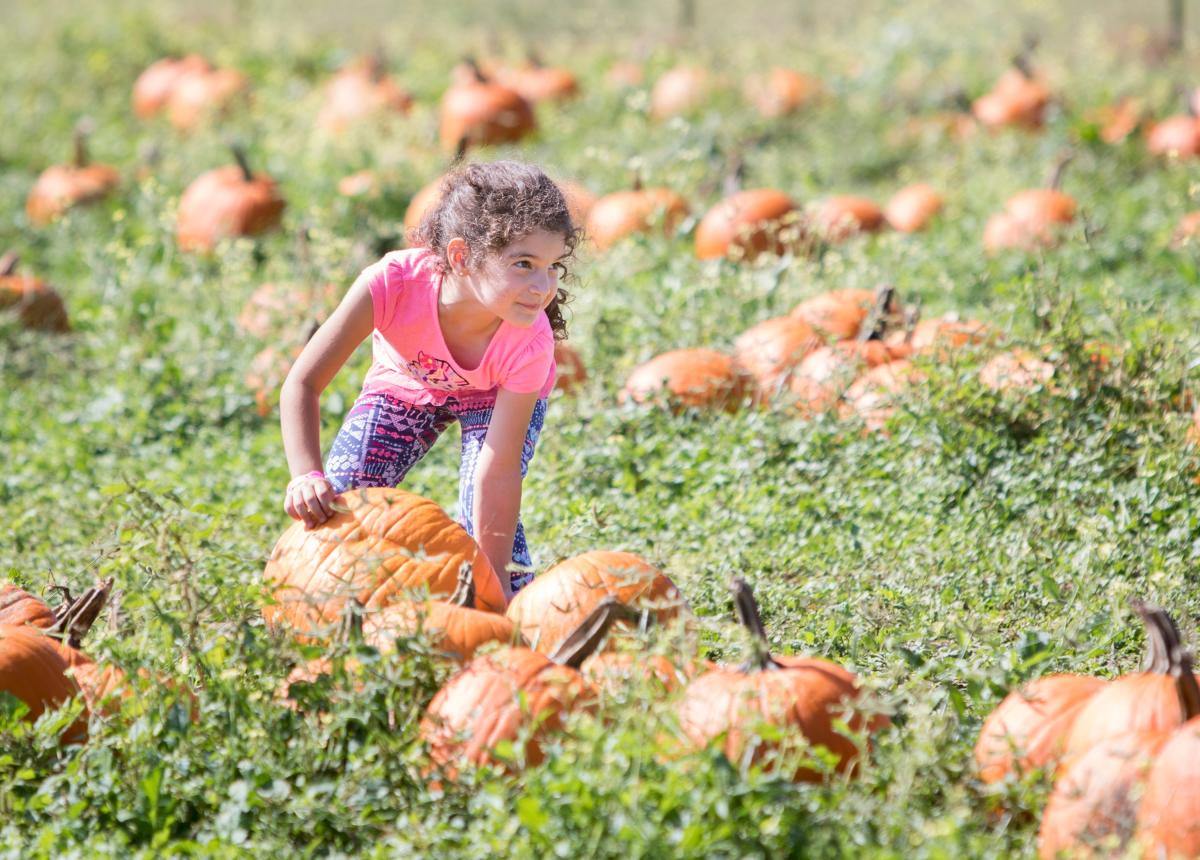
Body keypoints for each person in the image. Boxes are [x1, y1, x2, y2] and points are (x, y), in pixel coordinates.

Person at [278, 160, 577, 602]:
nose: (542, 286)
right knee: (336, 501)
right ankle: (340, 610)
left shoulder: (529, 342)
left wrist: (491, 586)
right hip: (406, 387)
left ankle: (504, 616)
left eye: (553, 266)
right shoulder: (391, 284)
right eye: (524, 264)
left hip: (492, 396)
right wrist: (304, 475)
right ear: (461, 256)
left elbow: (495, 473)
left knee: (492, 547)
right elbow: (303, 383)